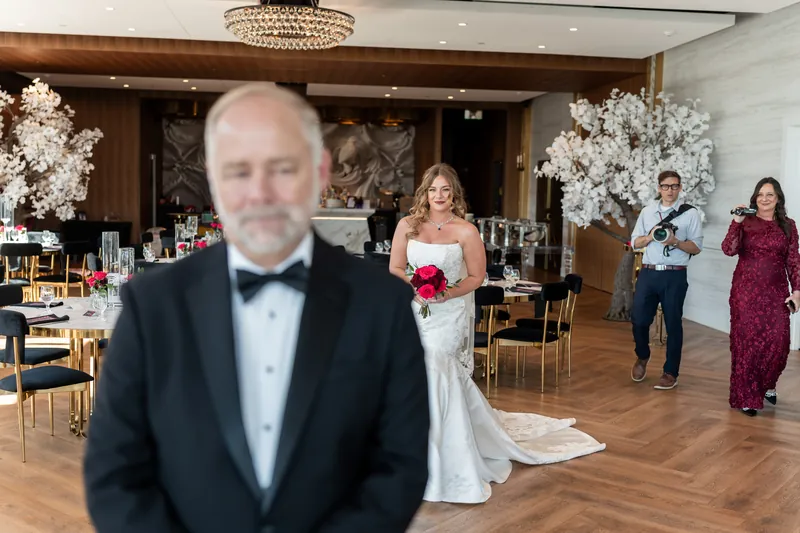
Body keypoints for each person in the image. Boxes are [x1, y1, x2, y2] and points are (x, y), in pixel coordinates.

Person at [83, 83, 430, 533]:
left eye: (282, 168)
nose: (260, 192)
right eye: (238, 171)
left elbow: (400, 468)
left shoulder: (382, 305)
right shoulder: (152, 305)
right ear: (213, 178)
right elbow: (114, 473)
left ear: (321, 171)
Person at [388, 163, 605, 504]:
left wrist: (447, 292)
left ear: (454, 193)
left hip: (450, 311)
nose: (439, 196)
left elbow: (476, 277)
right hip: (416, 310)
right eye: (433, 190)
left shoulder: (465, 231)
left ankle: (440, 458)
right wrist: (416, 288)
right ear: (425, 193)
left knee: (434, 362)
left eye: (445, 190)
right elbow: (395, 267)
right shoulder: (408, 225)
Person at [722, 177, 800, 416]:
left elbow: (794, 261)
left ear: (778, 200)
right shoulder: (745, 222)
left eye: (770, 195)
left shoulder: (788, 225)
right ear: (755, 198)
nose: (764, 199)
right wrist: (736, 221)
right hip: (745, 292)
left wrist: (796, 292)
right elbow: (728, 249)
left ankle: (767, 384)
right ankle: (747, 396)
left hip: (776, 292)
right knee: (747, 345)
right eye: (760, 194)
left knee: (778, 345)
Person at [629, 170, 703, 390]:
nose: (670, 190)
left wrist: (675, 241)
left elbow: (696, 247)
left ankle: (670, 372)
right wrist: (650, 237)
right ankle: (642, 355)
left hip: (675, 274)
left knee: (673, 323)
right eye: (665, 186)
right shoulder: (647, 212)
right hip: (649, 272)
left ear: (680, 188)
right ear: (658, 188)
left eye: (674, 186)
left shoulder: (690, 214)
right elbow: (635, 243)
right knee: (638, 320)